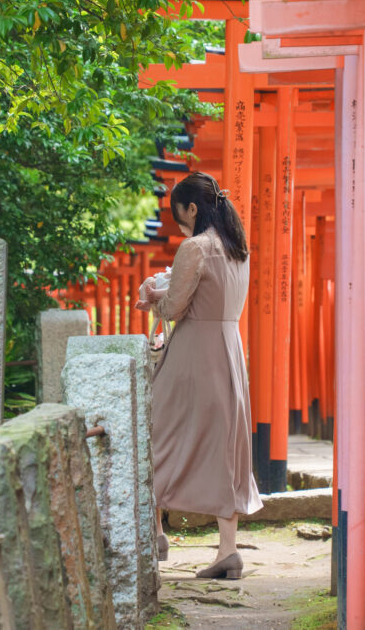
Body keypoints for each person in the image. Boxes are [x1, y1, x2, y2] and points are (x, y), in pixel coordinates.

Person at [136, 171, 263, 580]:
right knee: (223, 447)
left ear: (192, 208)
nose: (181, 226)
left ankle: (155, 532)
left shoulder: (195, 247)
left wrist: (153, 299)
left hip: (194, 354)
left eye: (181, 216)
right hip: (229, 351)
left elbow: (174, 309)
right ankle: (228, 550)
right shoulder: (237, 249)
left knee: (159, 432)